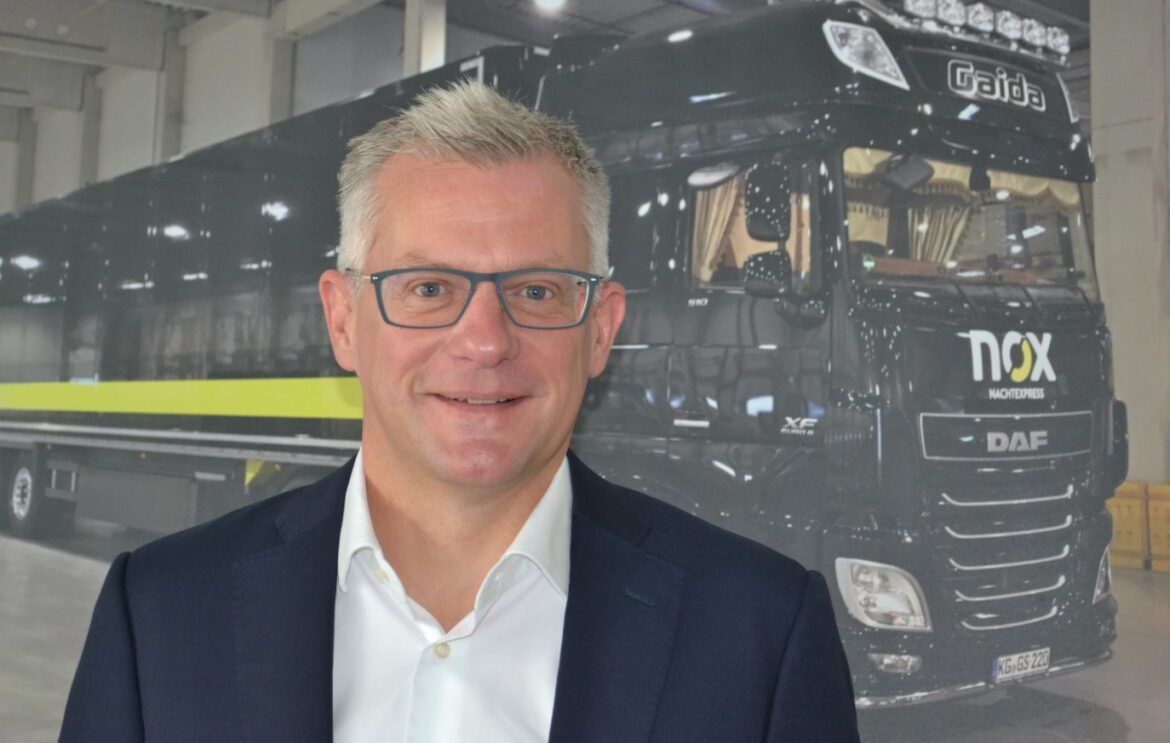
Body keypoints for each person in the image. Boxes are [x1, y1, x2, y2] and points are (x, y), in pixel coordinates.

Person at [60, 81, 860, 742]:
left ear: (601, 329)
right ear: (343, 319)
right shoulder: (160, 614)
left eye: (536, 290)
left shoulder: (760, 634)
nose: (484, 340)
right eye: (429, 288)